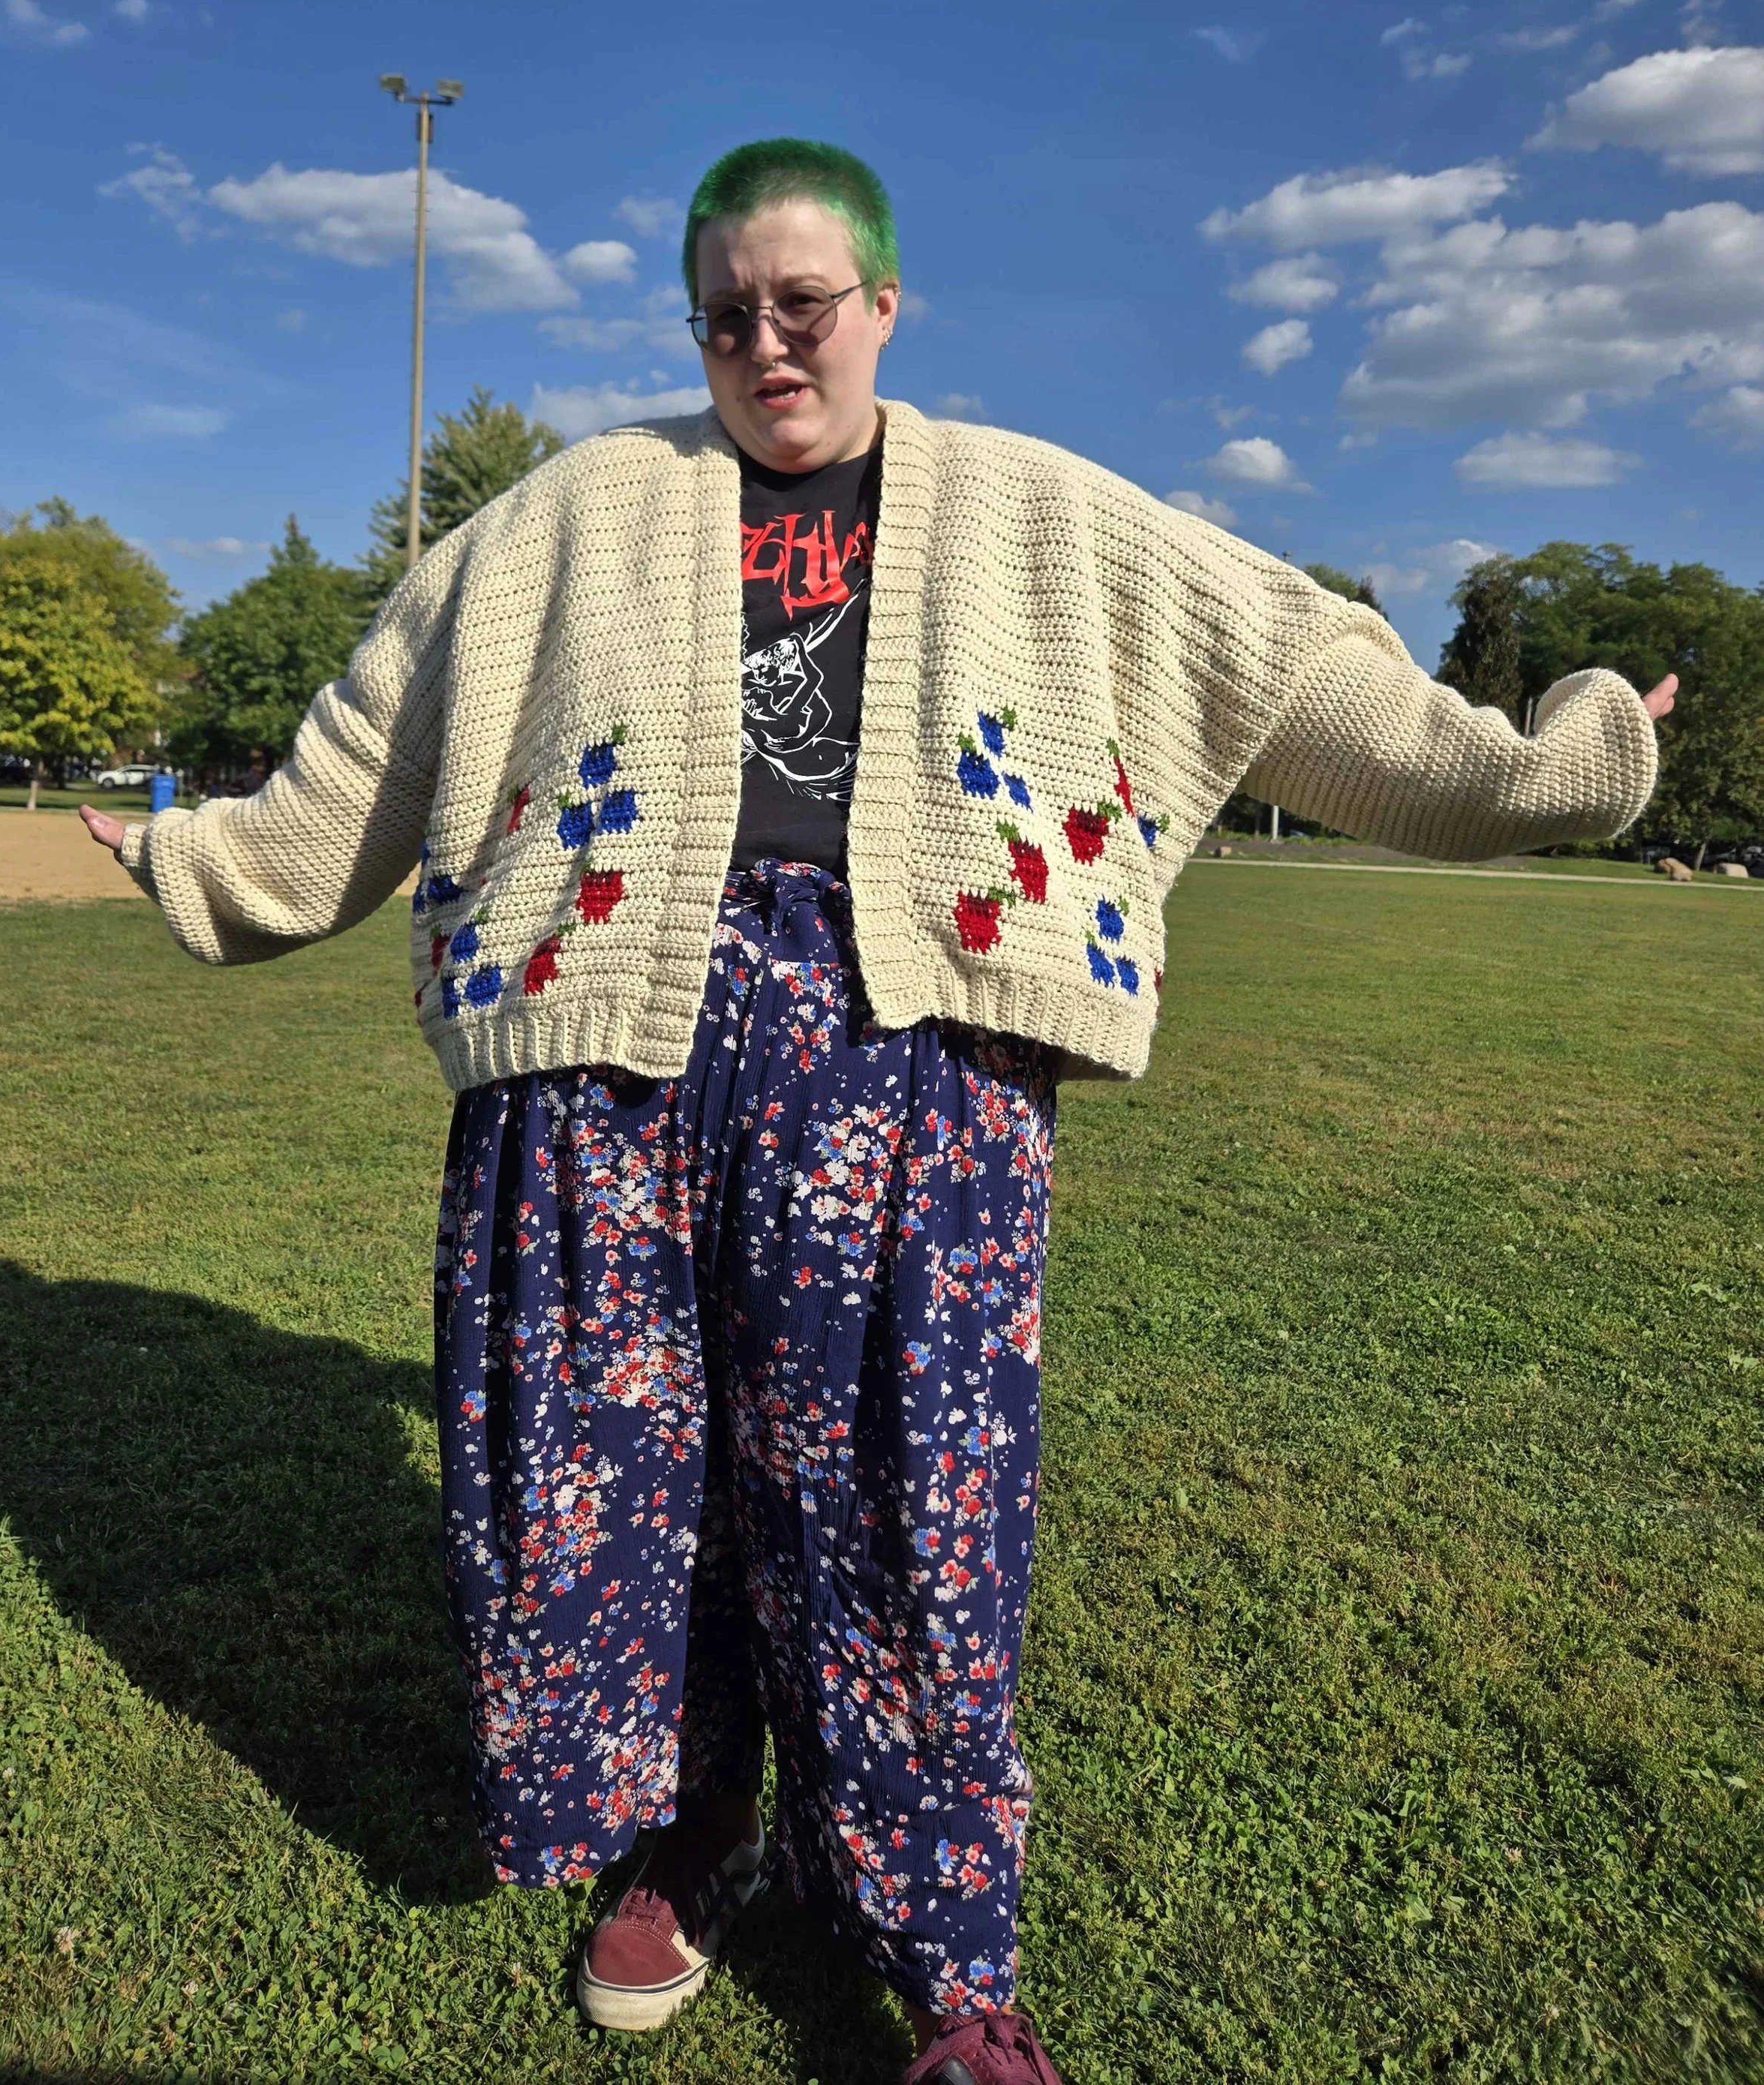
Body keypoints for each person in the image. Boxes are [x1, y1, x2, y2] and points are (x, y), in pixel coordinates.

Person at [83, 140, 1673, 2085]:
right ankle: (684, 1833)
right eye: (727, 310)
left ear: (883, 306)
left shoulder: (1025, 505)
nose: (768, 341)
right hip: (603, 1050)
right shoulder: (574, 509)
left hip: (910, 1049)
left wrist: (1559, 766)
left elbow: (1291, 666)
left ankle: (948, 1959)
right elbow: (376, 731)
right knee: (626, 1484)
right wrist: (207, 865)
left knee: (916, 1496)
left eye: (804, 302)